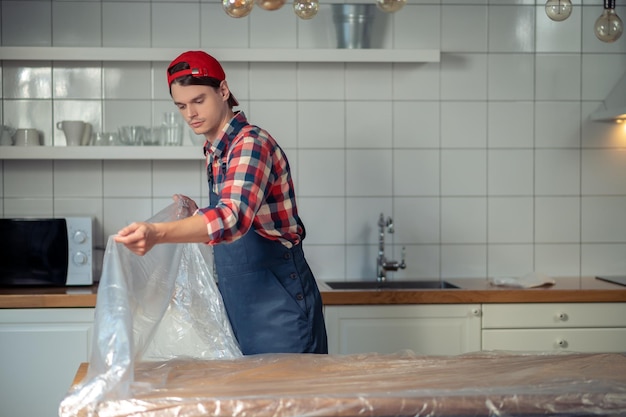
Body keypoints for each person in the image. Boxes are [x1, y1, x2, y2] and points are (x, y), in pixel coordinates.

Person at [114, 50, 328, 356]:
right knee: (251, 403)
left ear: (223, 91)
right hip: (241, 308)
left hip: (280, 309)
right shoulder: (215, 152)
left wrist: (158, 233)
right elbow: (243, 216)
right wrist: (197, 214)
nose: (190, 114)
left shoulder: (251, 144)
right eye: (182, 106)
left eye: (198, 100)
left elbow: (232, 218)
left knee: (291, 402)